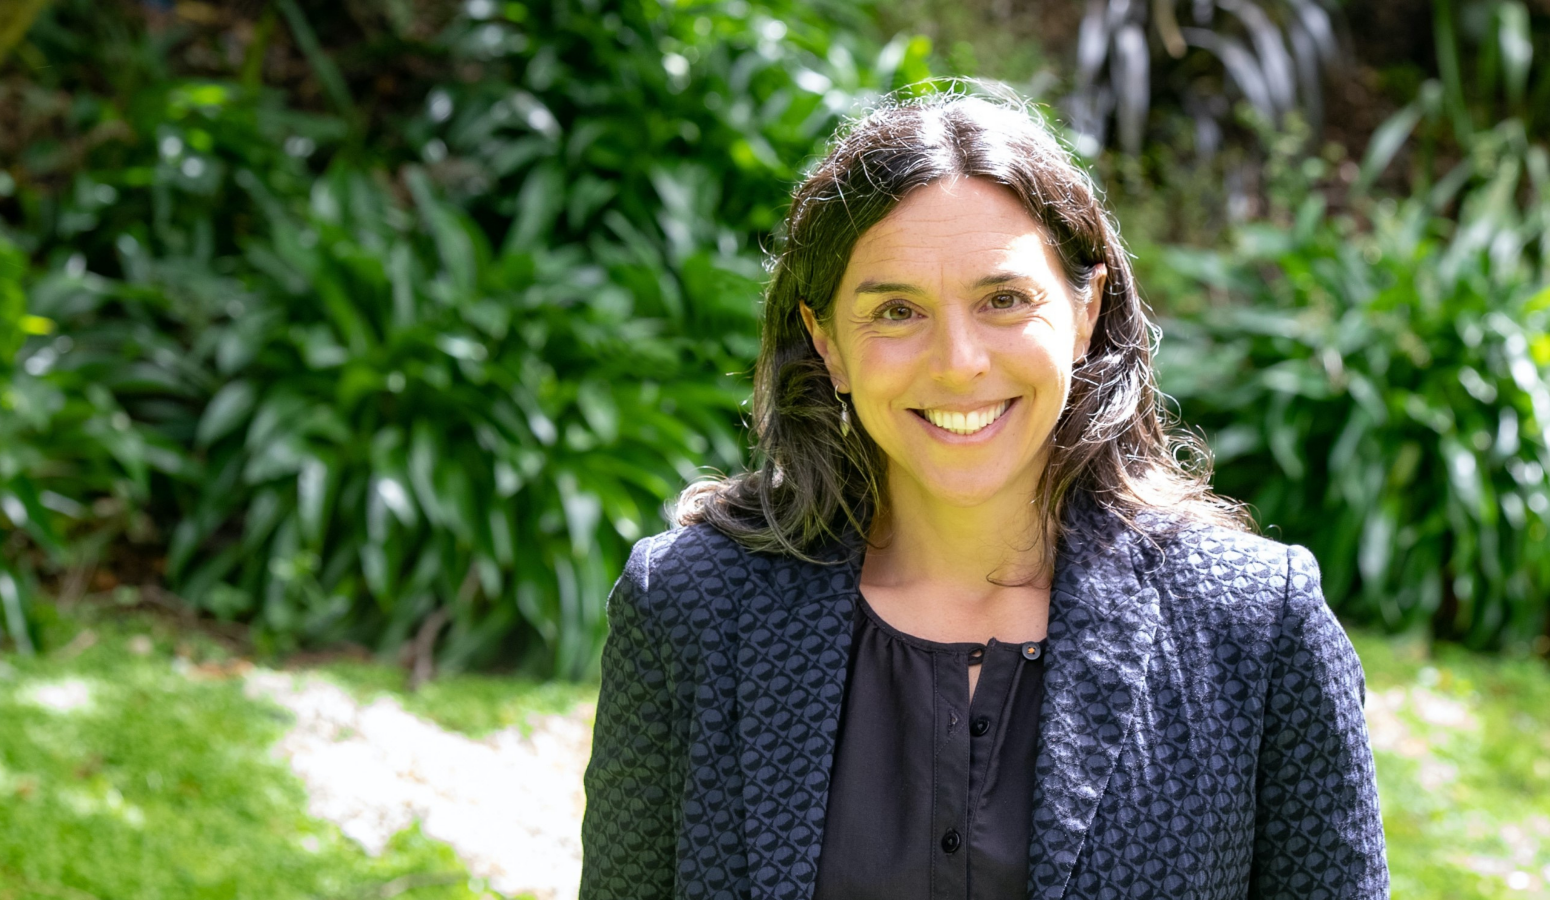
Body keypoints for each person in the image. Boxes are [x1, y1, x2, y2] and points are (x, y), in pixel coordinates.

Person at [578, 86, 1389, 900]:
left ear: (1085, 309)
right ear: (827, 343)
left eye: (1003, 300)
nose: (958, 361)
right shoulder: (691, 608)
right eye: (897, 311)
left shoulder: (1256, 627)